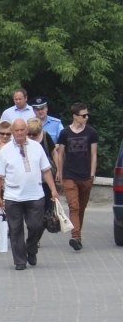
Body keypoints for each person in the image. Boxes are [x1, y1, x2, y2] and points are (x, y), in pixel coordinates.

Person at [0, 119, 60, 270]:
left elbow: (46, 170)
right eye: (16, 130)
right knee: (15, 229)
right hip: (13, 196)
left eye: (22, 130)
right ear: (12, 132)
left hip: (35, 195)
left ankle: (31, 248)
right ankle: (20, 261)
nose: (20, 133)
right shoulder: (6, 151)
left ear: (26, 130)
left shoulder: (37, 147)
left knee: (36, 226)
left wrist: (53, 189)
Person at [55, 103, 98, 251]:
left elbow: (94, 154)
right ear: (75, 116)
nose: (86, 117)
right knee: (74, 206)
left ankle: (78, 237)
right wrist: (60, 172)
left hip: (86, 175)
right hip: (69, 175)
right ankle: (74, 236)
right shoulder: (65, 133)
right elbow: (60, 154)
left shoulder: (91, 132)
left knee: (81, 208)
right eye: (83, 115)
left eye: (87, 115)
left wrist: (92, 173)